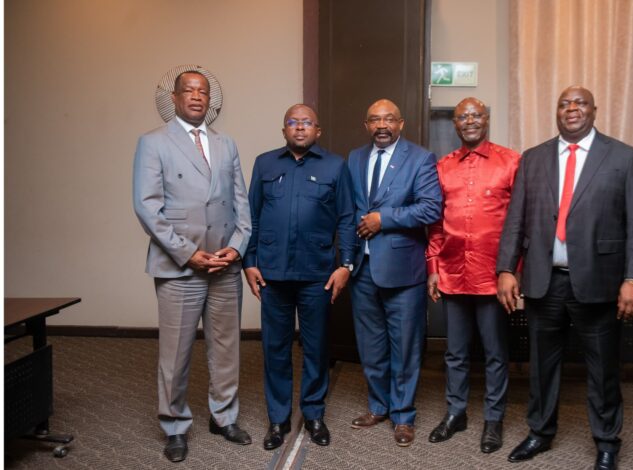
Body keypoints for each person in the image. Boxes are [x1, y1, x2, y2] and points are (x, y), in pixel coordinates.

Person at [496, 86, 633, 470]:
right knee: (542, 365)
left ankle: (607, 442)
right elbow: (515, 219)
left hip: (599, 282)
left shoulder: (623, 157)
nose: (571, 109)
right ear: (557, 112)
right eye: (564, 103)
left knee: (602, 368)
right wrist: (505, 268)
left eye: (580, 103)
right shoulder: (533, 158)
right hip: (543, 281)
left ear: (594, 110)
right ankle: (540, 432)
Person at [132, 70, 252, 463]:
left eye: (203, 91)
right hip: (180, 266)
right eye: (189, 90)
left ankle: (224, 417)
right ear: (175, 97)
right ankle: (174, 426)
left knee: (226, 348)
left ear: (209, 99)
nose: (197, 96)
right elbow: (147, 207)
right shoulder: (153, 142)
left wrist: (236, 249)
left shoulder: (226, 143)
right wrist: (188, 253)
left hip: (223, 266)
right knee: (176, 353)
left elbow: (241, 204)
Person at [243, 104, 356, 450]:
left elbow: (347, 218)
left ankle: (314, 414)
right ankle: (278, 419)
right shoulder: (265, 163)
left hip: (317, 274)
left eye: (307, 122)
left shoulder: (335, 165)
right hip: (272, 274)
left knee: (316, 348)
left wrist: (346, 265)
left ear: (317, 131)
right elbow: (251, 215)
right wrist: (249, 261)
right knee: (275, 348)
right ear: (284, 131)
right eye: (293, 122)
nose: (300, 127)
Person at [425, 97, 520, 454]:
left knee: (495, 353)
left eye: (476, 115)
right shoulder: (443, 167)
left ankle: (494, 420)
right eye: (462, 116)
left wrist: (512, 271)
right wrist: (433, 267)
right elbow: (435, 224)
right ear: (455, 124)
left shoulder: (510, 162)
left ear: (486, 119)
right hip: (452, 273)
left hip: (493, 277)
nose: (469, 121)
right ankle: (456, 413)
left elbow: (520, 222)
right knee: (455, 352)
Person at [346, 99, 442, 447]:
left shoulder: (420, 158)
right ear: (366, 125)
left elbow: (431, 208)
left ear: (401, 124)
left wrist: (383, 219)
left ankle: (403, 415)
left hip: (403, 270)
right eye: (375, 119)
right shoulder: (355, 158)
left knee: (404, 346)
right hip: (363, 268)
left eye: (389, 119)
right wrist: (346, 259)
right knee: (370, 344)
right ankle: (378, 406)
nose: (382, 125)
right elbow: (350, 209)